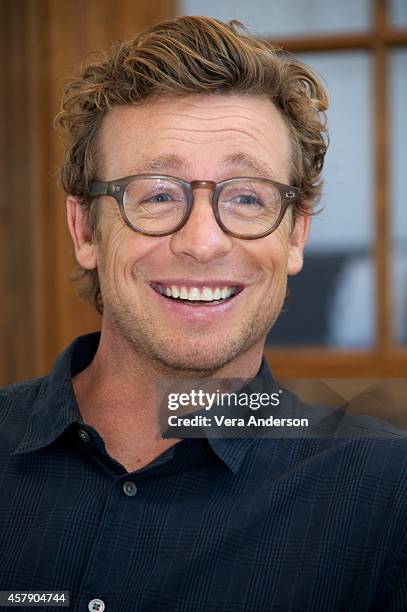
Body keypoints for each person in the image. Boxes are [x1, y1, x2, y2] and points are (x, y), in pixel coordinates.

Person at [0, 16, 406, 612]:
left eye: (246, 197)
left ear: (295, 237)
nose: (203, 242)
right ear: (85, 228)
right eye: (158, 193)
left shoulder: (388, 495)